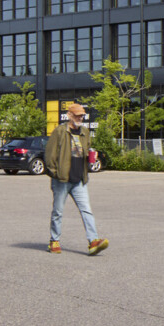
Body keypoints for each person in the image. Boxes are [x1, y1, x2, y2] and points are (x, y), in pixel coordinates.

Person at [44, 102, 108, 256]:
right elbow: (49, 155)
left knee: (87, 210)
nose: (80, 118)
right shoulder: (59, 131)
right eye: (78, 115)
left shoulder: (85, 132)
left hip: (79, 179)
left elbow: (84, 152)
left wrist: (92, 156)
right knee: (58, 211)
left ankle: (93, 241)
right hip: (62, 180)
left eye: (82, 115)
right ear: (69, 115)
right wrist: (55, 174)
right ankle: (54, 241)